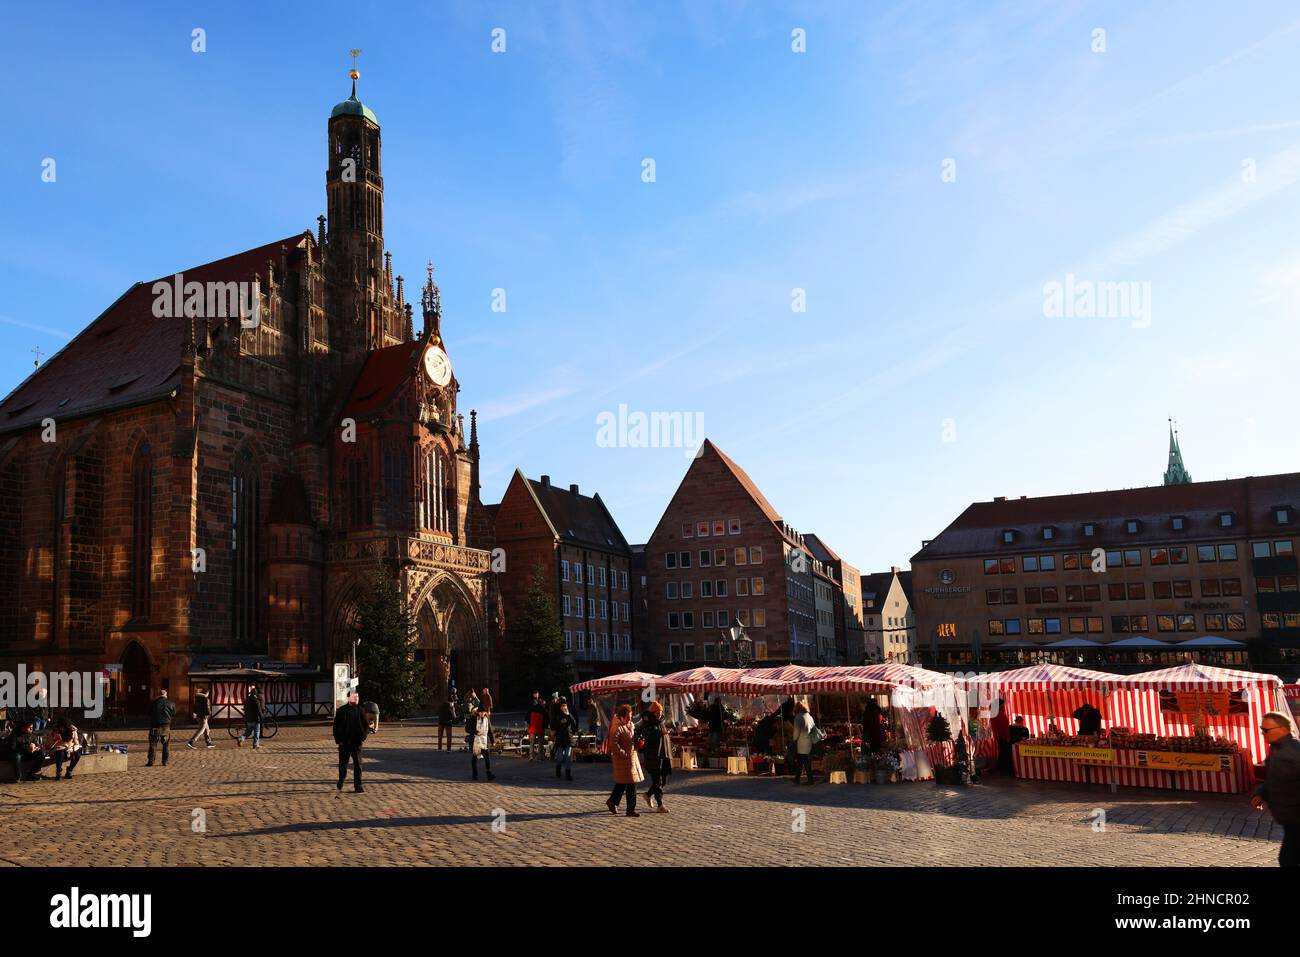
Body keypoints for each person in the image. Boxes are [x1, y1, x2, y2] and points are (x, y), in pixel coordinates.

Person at [1252, 711, 1300, 866]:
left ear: (1283, 729)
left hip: (1297, 818)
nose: (1262, 733)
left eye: (1266, 730)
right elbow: (1274, 778)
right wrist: (1261, 794)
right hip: (1289, 818)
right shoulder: (1277, 748)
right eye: (1261, 729)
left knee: (1287, 859)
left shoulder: (1294, 751)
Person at [605, 704, 642, 817]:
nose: (629, 719)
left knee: (624, 783)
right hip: (623, 759)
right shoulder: (616, 727)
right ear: (621, 717)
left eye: (630, 717)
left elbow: (631, 738)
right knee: (629, 783)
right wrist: (623, 753)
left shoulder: (630, 725)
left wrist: (638, 741)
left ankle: (613, 802)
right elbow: (613, 743)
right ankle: (629, 809)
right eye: (627, 717)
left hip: (631, 758)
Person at [636, 700, 672, 812]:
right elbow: (650, 739)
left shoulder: (661, 722)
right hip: (653, 756)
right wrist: (661, 733)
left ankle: (648, 795)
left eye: (660, 712)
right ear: (652, 713)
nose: (659, 714)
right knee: (658, 781)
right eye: (657, 712)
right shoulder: (648, 723)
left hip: (663, 755)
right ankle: (660, 805)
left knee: (662, 781)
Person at [333, 691, 370, 793]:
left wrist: (363, 737)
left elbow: (366, 726)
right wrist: (339, 740)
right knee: (343, 764)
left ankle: (358, 785)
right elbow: (335, 727)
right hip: (344, 742)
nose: (357, 699)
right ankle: (341, 779)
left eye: (358, 697)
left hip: (356, 742)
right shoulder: (341, 710)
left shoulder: (360, 710)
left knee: (358, 764)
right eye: (355, 697)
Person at [147, 688, 176, 767]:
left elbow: (149, 713)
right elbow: (174, 713)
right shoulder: (171, 703)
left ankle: (151, 761)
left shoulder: (154, 703)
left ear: (158, 695)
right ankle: (165, 761)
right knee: (166, 744)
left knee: (153, 744)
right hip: (166, 726)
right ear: (166, 695)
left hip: (155, 726)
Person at [552, 698, 578, 781]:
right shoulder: (557, 715)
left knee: (568, 757)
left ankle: (568, 773)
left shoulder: (569, 714)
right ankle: (558, 770)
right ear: (560, 707)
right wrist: (560, 722)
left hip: (568, 738)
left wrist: (568, 715)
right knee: (560, 758)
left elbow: (574, 723)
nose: (564, 707)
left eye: (565, 705)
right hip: (560, 739)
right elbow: (554, 725)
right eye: (563, 706)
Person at [791, 701, 816, 785]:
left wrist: (794, 740)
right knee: (801, 761)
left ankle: (810, 779)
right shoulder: (809, 716)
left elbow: (796, 732)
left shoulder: (798, 717)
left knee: (804, 761)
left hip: (801, 743)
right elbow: (813, 728)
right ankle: (797, 778)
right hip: (809, 741)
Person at [470, 700, 496, 781]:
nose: (482, 714)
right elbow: (468, 728)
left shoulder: (486, 719)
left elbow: (490, 730)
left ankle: (489, 774)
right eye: (480, 712)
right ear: (478, 712)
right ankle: (475, 775)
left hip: (484, 741)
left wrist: (493, 741)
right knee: (474, 759)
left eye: (483, 712)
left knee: (487, 758)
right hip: (475, 741)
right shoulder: (474, 718)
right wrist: (474, 731)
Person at [990, 697, 1012, 775]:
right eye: (1002, 705)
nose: (1003, 706)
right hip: (1002, 736)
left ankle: (1002, 769)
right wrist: (1008, 736)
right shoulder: (999, 714)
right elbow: (1004, 726)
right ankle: (1004, 769)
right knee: (1004, 753)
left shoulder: (994, 713)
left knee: (1002, 753)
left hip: (998, 736)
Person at [527, 691, 547, 761]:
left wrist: (530, 724)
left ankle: (531, 756)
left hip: (532, 728)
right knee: (540, 742)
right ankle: (540, 756)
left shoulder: (531, 709)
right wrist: (545, 726)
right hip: (540, 728)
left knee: (532, 743)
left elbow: (526, 718)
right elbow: (546, 718)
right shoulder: (542, 709)